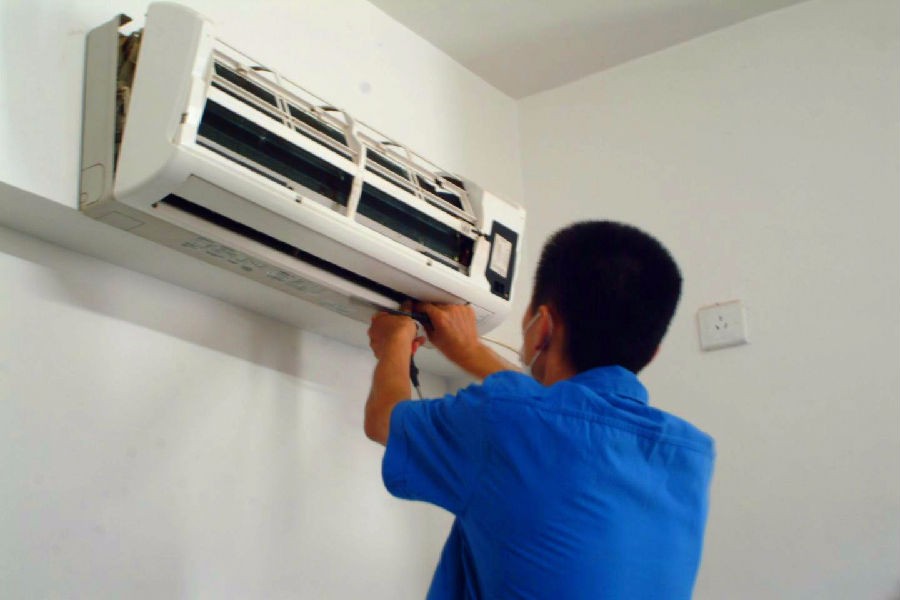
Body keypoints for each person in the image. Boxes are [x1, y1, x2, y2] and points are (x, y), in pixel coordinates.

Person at [365, 220, 715, 599]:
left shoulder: (505, 419)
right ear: (652, 352)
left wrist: (394, 339)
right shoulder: (690, 456)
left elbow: (384, 419)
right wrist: (471, 353)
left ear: (541, 326)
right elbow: (557, 419)